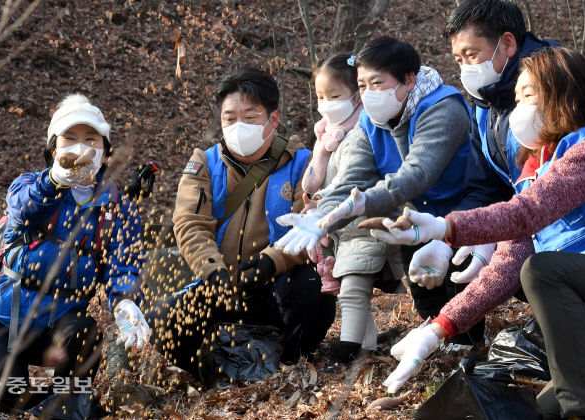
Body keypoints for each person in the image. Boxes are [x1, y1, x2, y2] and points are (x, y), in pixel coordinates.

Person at [369, 47, 585, 419]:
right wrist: (438, 329)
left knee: (543, 271)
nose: (519, 110)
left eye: (528, 95)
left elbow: (527, 214)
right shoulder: (535, 174)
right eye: (516, 99)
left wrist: (445, 226)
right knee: (550, 406)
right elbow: (504, 268)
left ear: (564, 93)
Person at [274, 36, 475, 358]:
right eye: (363, 86)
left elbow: (417, 173)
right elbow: (352, 177)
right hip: (415, 219)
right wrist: (321, 215)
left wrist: (361, 203)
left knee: (460, 289)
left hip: (464, 211)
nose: (369, 94)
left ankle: (470, 348)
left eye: (377, 83)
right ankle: (443, 347)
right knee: (426, 292)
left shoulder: (443, 109)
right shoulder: (369, 121)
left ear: (409, 79)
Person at [0, 94, 148, 412]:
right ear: (53, 149)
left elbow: (124, 263)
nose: (81, 148)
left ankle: (63, 402)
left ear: (104, 153)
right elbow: (22, 210)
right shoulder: (29, 184)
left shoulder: (118, 208)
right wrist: (54, 182)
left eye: (91, 139)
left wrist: (126, 303)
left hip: (56, 322)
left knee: (84, 338)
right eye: (70, 139)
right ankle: (7, 394)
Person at [148, 68, 336, 380]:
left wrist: (269, 262)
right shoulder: (204, 164)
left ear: (272, 119)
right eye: (230, 118)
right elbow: (190, 224)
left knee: (313, 290)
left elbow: (311, 230)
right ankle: (216, 371)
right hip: (220, 284)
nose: (239, 126)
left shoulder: (304, 163)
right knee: (164, 322)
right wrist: (213, 271)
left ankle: (285, 365)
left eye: (250, 117)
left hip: (275, 284)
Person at [299, 53, 404, 370]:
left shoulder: (363, 131)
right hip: (341, 229)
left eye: (334, 96)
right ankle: (365, 345)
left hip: (364, 223)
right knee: (350, 286)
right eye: (320, 96)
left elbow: (353, 180)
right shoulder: (326, 137)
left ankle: (347, 350)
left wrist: (324, 200)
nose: (326, 103)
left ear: (356, 95)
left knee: (354, 286)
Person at [439, 0, 556, 284]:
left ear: (507, 43)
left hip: (567, 228)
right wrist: (444, 235)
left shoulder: (553, 88)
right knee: (457, 249)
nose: (465, 67)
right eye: (459, 59)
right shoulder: (483, 104)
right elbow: (483, 188)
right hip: (525, 224)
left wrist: (497, 233)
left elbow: (554, 193)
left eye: (472, 54)